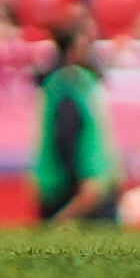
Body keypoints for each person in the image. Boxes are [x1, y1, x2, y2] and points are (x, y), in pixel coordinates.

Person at [33, 19, 119, 225]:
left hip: (86, 183)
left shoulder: (72, 84)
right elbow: (66, 135)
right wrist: (83, 179)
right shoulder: (69, 86)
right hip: (75, 187)